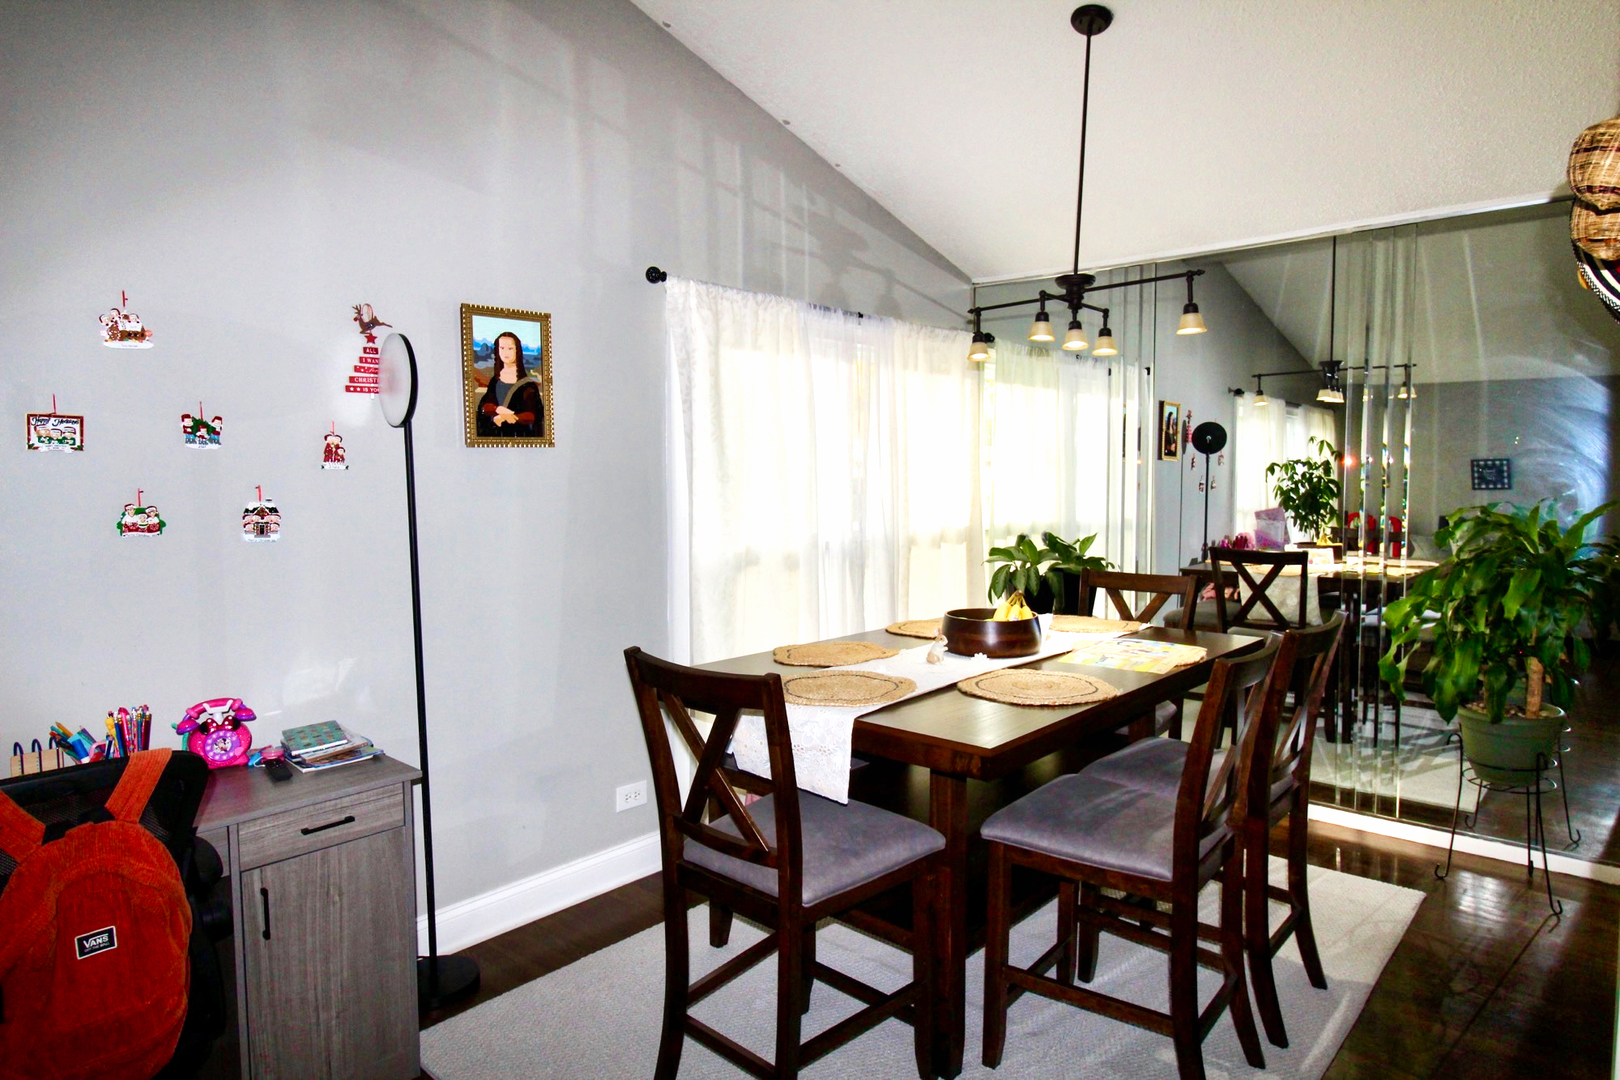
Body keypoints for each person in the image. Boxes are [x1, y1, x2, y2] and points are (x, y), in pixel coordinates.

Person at [476, 331, 544, 438]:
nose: (505, 352)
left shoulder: (528, 386)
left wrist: (510, 417)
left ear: (517, 351)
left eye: (510, 348)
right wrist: (498, 410)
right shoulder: (495, 381)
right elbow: (484, 406)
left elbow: (533, 416)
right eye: (502, 348)